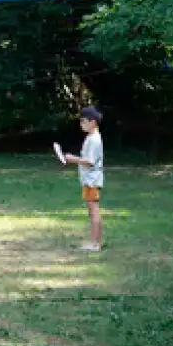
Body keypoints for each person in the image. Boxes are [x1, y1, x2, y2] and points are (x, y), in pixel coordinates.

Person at [59, 106, 105, 251]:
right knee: (92, 212)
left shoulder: (94, 140)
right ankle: (94, 242)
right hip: (88, 180)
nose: (81, 124)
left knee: (94, 211)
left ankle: (95, 244)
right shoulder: (91, 138)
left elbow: (90, 161)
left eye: (84, 122)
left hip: (92, 180)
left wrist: (73, 159)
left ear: (93, 122)